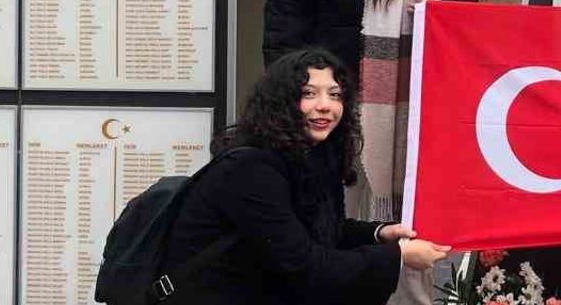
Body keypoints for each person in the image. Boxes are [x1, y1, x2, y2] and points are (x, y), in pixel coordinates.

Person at [263, 0, 477, 303]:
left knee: (405, 212)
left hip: (407, 112)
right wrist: (293, 100)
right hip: (329, 110)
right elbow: (283, 26)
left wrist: (441, 11)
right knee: (328, 214)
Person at [162, 49, 451, 305]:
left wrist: (379, 234)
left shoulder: (315, 155)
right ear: (281, 103)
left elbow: (322, 231)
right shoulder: (250, 169)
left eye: (335, 94)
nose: (325, 105)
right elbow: (305, 265)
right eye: (308, 93)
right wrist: (398, 256)